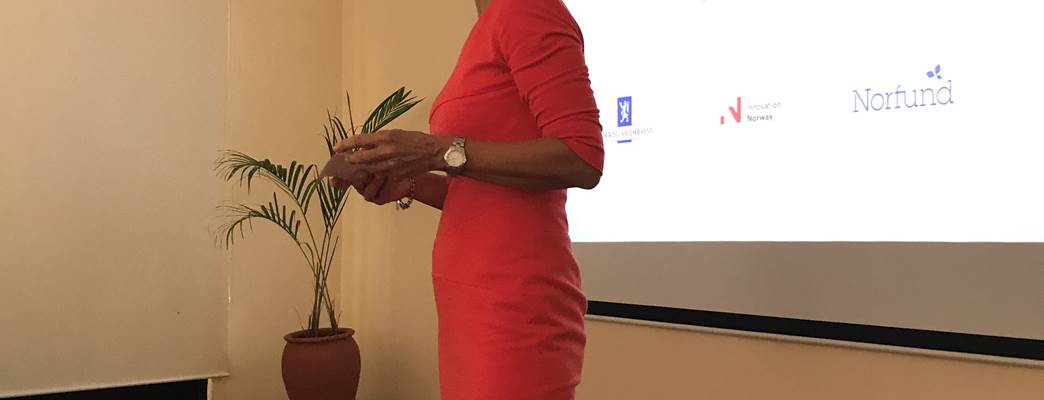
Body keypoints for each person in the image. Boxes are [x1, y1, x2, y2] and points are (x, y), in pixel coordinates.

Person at [332, 0, 603, 398]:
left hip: (512, 307)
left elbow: (582, 157)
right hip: (468, 304)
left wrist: (435, 151)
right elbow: (488, 197)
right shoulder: (489, 24)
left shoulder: (526, 9)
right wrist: (410, 183)